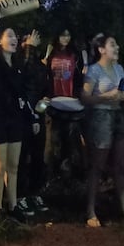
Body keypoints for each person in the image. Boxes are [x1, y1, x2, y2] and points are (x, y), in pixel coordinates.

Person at [0, 5, 32, 222]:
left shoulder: (18, 66)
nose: (13, 38)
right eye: (8, 35)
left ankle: (13, 206)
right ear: (0, 42)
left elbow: (23, 93)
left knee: (13, 167)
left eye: (15, 36)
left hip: (15, 121)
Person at [80, 34, 124, 227]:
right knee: (98, 165)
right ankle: (91, 210)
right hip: (101, 118)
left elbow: (123, 92)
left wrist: (123, 95)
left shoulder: (119, 68)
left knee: (120, 166)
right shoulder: (94, 71)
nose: (117, 47)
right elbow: (85, 98)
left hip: (118, 116)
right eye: (113, 44)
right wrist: (107, 96)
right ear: (101, 50)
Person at [16, 30, 48, 216]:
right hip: (23, 118)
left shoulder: (40, 65)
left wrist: (40, 110)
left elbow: (45, 90)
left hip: (38, 117)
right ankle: (19, 196)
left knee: (38, 157)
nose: (33, 41)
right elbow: (24, 81)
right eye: (28, 39)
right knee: (21, 158)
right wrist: (29, 48)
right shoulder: (19, 62)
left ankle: (34, 193)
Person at [44, 28, 83, 175]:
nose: (66, 38)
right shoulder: (50, 52)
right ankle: (51, 172)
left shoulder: (75, 54)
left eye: (68, 35)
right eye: (62, 34)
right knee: (53, 139)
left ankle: (68, 171)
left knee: (70, 138)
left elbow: (79, 77)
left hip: (71, 102)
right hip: (53, 100)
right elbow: (44, 73)